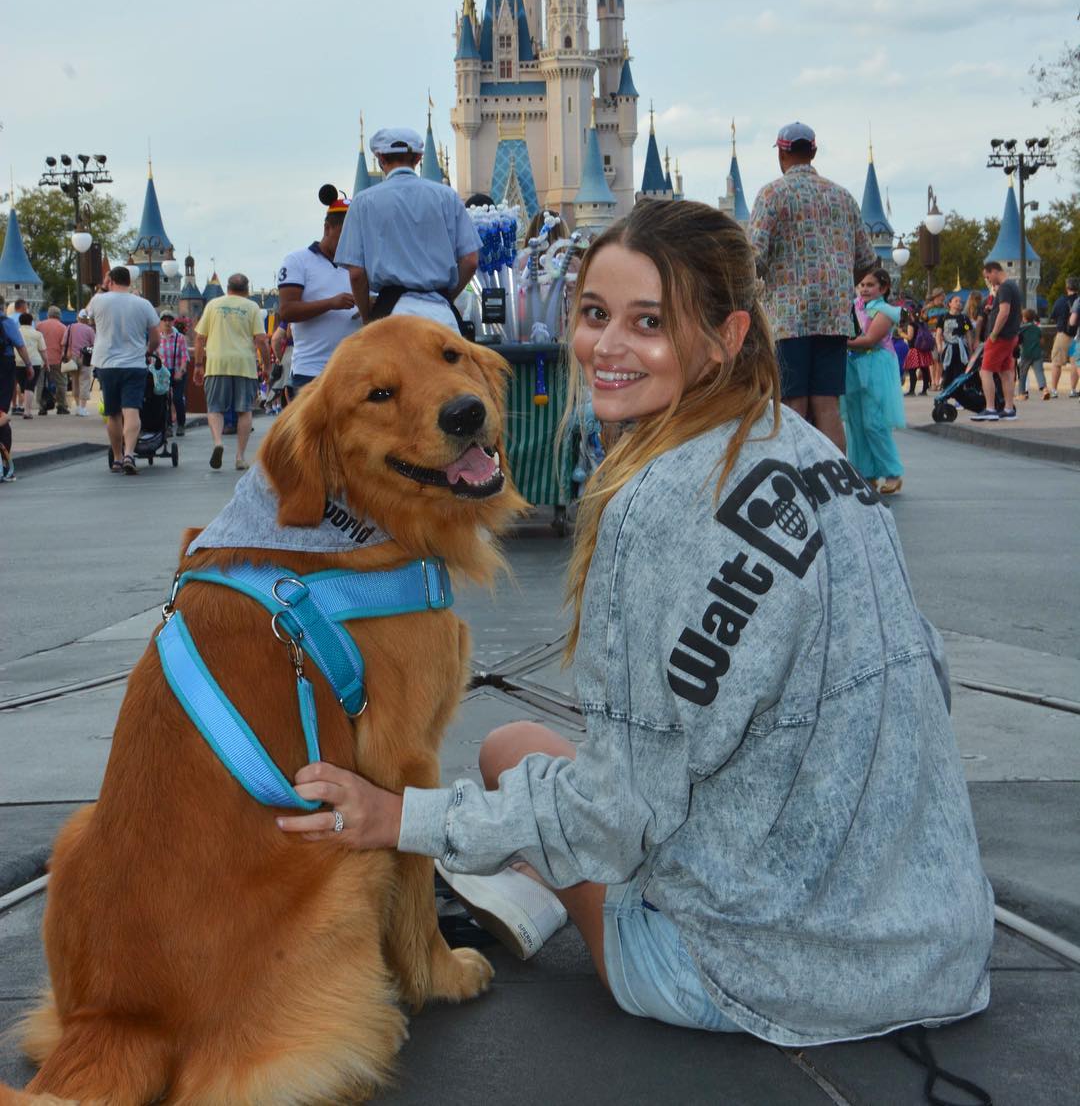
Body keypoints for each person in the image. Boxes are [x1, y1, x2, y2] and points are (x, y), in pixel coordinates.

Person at [277, 196, 994, 1048]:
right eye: (594, 315)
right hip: (940, 947)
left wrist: (397, 821)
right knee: (537, 761)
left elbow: (616, 818)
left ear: (726, 335)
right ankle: (530, 876)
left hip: (747, 975)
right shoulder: (817, 456)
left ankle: (532, 889)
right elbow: (930, 680)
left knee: (511, 753)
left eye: (648, 322)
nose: (608, 348)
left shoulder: (653, 505)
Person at [749, 121, 877, 452]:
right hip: (834, 319)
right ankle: (837, 483)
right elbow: (866, 258)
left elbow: (754, 258)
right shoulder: (842, 197)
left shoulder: (772, 194)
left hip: (789, 319)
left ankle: (798, 480)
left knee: (793, 406)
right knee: (827, 405)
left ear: (781, 152)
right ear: (814, 151)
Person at [335, 127, 480, 334]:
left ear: (380, 158)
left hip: (391, 316)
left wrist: (368, 318)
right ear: (419, 158)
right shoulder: (447, 196)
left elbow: (357, 274)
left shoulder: (363, 202)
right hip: (441, 317)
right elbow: (471, 260)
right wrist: (448, 295)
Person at [276, 188, 357, 396]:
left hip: (354, 372)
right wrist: (331, 303)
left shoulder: (360, 264)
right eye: (344, 236)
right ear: (327, 228)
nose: (350, 243)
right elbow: (287, 311)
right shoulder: (298, 261)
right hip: (311, 373)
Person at [86, 266, 161, 473]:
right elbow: (156, 338)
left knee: (113, 413)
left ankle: (117, 457)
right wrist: (147, 351)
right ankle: (129, 453)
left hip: (107, 364)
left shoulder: (99, 300)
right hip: (135, 364)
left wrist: (102, 287)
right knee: (132, 410)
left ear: (110, 280)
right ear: (130, 281)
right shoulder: (143, 304)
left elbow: (83, 315)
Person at [193, 273, 271, 471]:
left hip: (217, 363)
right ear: (246, 290)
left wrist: (198, 365)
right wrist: (267, 367)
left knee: (215, 409)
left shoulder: (213, 305)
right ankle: (239, 457)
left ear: (227, 288)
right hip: (244, 364)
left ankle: (218, 442)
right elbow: (261, 340)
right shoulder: (252, 307)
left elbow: (200, 338)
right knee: (244, 411)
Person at [841, 266, 905, 494]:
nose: (864, 289)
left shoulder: (885, 311)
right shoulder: (855, 306)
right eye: (862, 285)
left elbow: (869, 340)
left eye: (870, 285)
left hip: (875, 367)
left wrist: (840, 342)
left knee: (874, 422)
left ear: (883, 288)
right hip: (854, 367)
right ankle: (864, 473)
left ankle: (892, 473)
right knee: (855, 423)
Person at [971, 261, 1020, 422]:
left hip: (1000, 337)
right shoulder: (1013, 286)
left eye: (988, 277)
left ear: (994, 271)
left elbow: (1005, 312)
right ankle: (1008, 409)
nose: (989, 281)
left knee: (985, 371)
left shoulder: (1005, 287)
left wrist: (993, 333)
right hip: (1011, 335)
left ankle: (990, 408)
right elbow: (1008, 310)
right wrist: (993, 311)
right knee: (1006, 372)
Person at [0, 306, 34, 482]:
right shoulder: (7, 323)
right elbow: (20, 346)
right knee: (2, 416)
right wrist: (28, 365)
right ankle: (5, 465)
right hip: (4, 366)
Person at [157, 311, 190, 435]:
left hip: (177, 371)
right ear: (161, 322)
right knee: (164, 400)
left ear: (173, 322)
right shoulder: (158, 338)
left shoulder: (179, 338)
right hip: (164, 373)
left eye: (169, 320)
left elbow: (184, 357)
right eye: (164, 320)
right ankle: (168, 426)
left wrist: (180, 371)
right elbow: (154, 357)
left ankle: (181, 424)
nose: (167, 322)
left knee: (177, 398)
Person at [1047, 277, 1079, 399]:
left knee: (1056, 363)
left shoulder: (1060, 301)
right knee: (1075, 365)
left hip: (1062, 335)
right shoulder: (1079, 300)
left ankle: (1054, 390)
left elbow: (1053, 315)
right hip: (1077, 336)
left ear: (1067, 288)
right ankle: (1073, 390)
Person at [36, 305, 70, 414]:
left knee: (40, 383)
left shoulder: (39, 325)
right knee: (61, 383)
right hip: (57, 360)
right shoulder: (62, 327)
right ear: (59, 315)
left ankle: (42, 406)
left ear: (48, 314)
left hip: (40, 359)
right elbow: (64, 346)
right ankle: (61, 406)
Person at [64, 310, 97, 415]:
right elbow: (94, 344)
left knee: (75, 382)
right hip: (85, 358)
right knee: (85, 382)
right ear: (87, 319)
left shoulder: (70, 327)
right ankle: (83, 408)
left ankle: (77, 406)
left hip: (72, 358)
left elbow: (63, 342)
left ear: (78, 318)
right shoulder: (90, 330)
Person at [938, 294, 973, 389]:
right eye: (956, 301)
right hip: (948, 347)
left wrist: (970, 348)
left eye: (960, 301)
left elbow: (968, 334)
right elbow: (938, 334)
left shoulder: (964, 319)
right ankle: (946, 391)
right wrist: (939, 346)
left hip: (961, 348)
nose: (959, 303)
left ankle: (960, 390)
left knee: (961, 370)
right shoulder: (943, 317)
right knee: (948, 370)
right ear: (950, 303)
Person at [14, 312, 46, 418]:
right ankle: (27, 411)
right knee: (30, 386)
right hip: (35, 362)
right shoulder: (37, 334)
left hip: (18, 362)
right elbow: (42, 350)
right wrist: (46, 362)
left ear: (20, 322)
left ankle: (22, 406)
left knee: (22, 386)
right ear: (31, 322)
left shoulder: (16, 332)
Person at [1016, 310, 1047, 400]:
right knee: (1039, 372)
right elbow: (1042, 341)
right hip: (1037, 354)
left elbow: (1018, 340)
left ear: (1024, 318)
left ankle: (1022, 394)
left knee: (1022, 374)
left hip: (1025, 354)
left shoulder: (1021, 328)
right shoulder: (1037, 328)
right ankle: (1045, 390)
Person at [901, 310, 932, 395]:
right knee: (924, 369)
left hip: (914, 350)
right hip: (924, 350)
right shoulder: (923, 323)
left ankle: (911, 391)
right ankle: (924, 390)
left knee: (912, 370)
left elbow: (910, 337)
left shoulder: (911, 324)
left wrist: (901, 333)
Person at [923, 288, 947, 391]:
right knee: (933, 359)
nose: (942, 299)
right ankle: (933, 382)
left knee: (940, 360)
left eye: (943, 297)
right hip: (931, 337)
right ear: (936, 297)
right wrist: (924, 311)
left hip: (942, 337)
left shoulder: (945, 309)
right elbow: (922, 321)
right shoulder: (928, 309)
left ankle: (937, 382)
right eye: (941, 297)